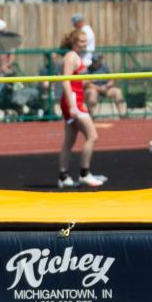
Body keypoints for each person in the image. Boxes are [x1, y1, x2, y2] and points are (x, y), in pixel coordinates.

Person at [58, 29, 103, 189]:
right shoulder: (71, 57)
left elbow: (76, 81)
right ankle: (85, 173)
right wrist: (72, 106)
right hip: (73, 102)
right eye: (81, 42)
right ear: (73, 42)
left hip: (75, 99)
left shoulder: (76, 57)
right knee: (92, 136)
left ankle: (63, 177)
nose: (84, 45)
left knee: (69, 141)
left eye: (85, 42)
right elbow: (65, 81)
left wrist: (88, 82)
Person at [84, 54, 127, 119]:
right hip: (94, 89)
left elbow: (112, 80)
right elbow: (86, 83)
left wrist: (107, 86)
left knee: (117, 91)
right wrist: (98, 88)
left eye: (96, 61)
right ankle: (92, 115)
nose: (94, 63)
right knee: (91, 93)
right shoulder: (88, 69)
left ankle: (122, 114)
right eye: (93, 61)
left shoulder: (105, 68)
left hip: (105, 89)